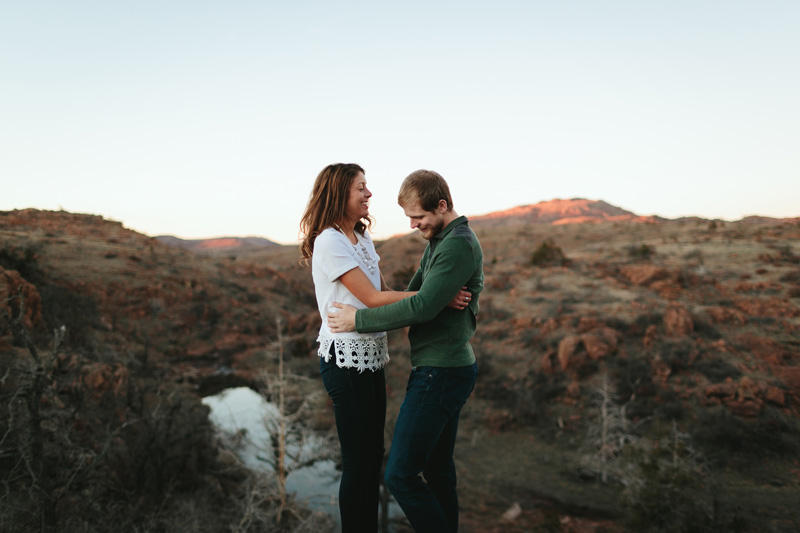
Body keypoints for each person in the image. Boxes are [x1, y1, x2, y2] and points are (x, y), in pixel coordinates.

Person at [299, 163, 469, 532]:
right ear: (339, 193)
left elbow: (385, 293)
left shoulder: (360, 238)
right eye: (361, 187)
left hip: (371, 358)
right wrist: (435, 297)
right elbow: (374, 298)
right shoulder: (330, 240)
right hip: (344, 359)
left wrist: (432, 297)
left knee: (372, 459)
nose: (369, 194)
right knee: (359, 462)